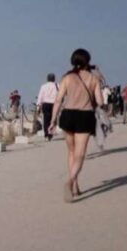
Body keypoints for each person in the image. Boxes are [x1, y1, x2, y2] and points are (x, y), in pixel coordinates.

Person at [49, 48, 103, 202]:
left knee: (71, 152)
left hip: (68, 115)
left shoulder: (67, 77)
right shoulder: (93, 79)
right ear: (88, 61)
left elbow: (58, 100)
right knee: (80, 154)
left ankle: (75, 186)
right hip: (84, 115)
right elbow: (100, 102)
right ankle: (70, 181)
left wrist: (53, 121)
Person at [36, 74, 59, 141]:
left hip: (45, 104)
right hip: (54, 104)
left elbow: (40, 96)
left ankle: (46, 134)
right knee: (53, 119)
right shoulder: (57, 85)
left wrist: (38, 106)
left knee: (46, 120)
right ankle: (50, 134)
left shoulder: (43, 86)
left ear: (47, 79)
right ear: (54, 79)